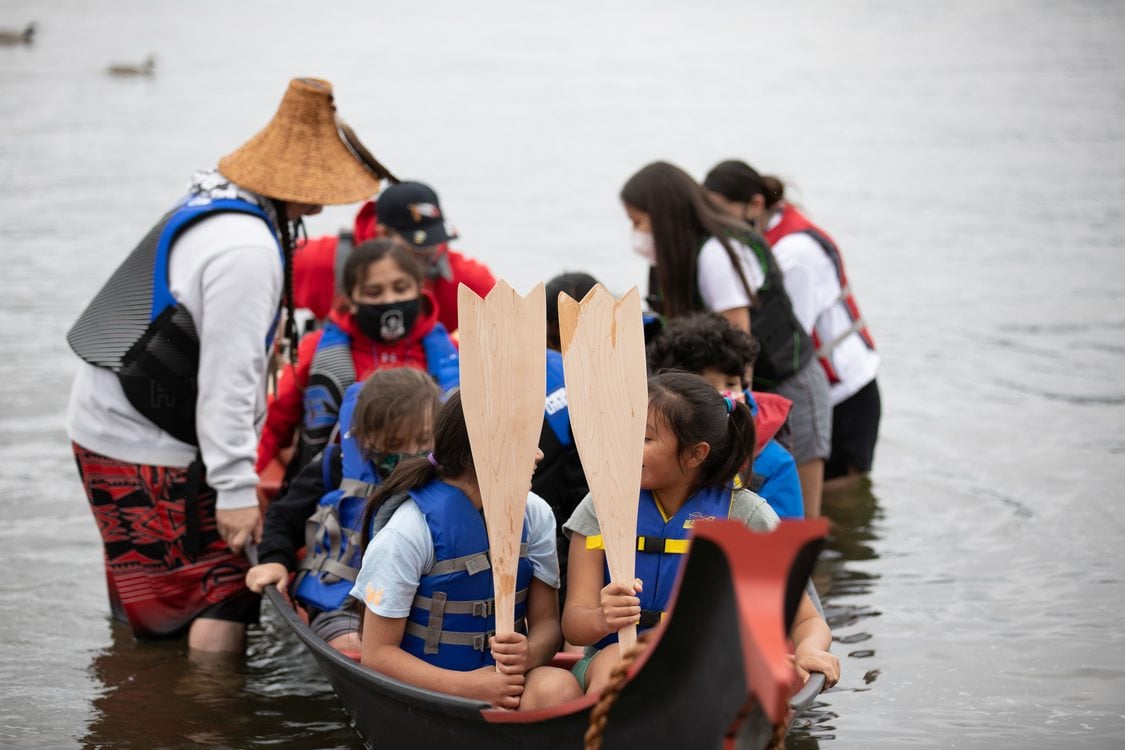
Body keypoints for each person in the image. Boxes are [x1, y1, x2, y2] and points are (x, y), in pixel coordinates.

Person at [66, 78, 381, 653]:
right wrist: (235, 489)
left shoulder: (217, 202)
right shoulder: (248, 253)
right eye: (322, 188)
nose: (325, 203)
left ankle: (138, 696)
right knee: (224, 591)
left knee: (146, 583)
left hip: (111, 424)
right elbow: (227, 381)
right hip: (146, 443)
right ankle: (209, 722)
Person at [561, 372, 839, 695]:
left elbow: (806, 622)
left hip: (707, 673)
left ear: (695, 454)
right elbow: (573, 625)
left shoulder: (745, 516)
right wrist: (601, 618)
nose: (627, 446)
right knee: (611, 663)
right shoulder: (600, 506)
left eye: (645, 438)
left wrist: (808, 648)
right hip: (609, 664)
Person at [620, 161, 832, 517]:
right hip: (730, 389)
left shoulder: (716, 254)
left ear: (664, 216)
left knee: (800, 515)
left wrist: (729, 396)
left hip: (788, 385)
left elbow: (736, 343)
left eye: (638, 221)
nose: (636, 232)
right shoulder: (683, 255)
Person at [350, 389, 583, 710]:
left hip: (501, 683)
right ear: (478, 454)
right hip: (426, 692)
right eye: (525, 442)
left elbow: (546, 625)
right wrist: (468, 687)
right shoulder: (409, 531)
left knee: (559, 688)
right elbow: (376, 655)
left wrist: (530, 652)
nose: (540, 455)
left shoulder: (535, 514)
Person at [704, 161, 881, 486]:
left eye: (718, 210)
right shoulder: (768, 236)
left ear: (755, 205)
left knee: (840, 496)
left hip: (844, 393)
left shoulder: (795, 254)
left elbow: (786, 335)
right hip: (830, 386)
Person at [246, 368, 440, 652]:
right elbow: (283, 517)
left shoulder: (446, 470)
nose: (411, 452)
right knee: (353, 647)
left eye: (423, 440)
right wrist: (275, 560)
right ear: (365, 436)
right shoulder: (333, 466)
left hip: (420, 603)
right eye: (395, 443)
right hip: (345, 602)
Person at [256, 238, 459, 477]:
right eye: (374, 292)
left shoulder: (451, 353)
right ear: (350, 300)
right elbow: (274, 424)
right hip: (334, 488)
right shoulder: (315, 348)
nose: (389, 300)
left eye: (401, 288)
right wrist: (236, 489)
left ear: (419, 290)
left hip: (428, 486)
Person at [646, 313, 804, 520]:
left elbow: (785, 539)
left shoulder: (776, 464)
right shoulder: (651, 459)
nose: (723, 394)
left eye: (731, 384)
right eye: (709, 386)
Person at [292, 181, 495, 334]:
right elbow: (264, 294)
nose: (429, 253)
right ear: (383, 234)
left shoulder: (468, 282)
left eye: (435, 241)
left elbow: (505, 326)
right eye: (417, 246)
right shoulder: (320, 261)